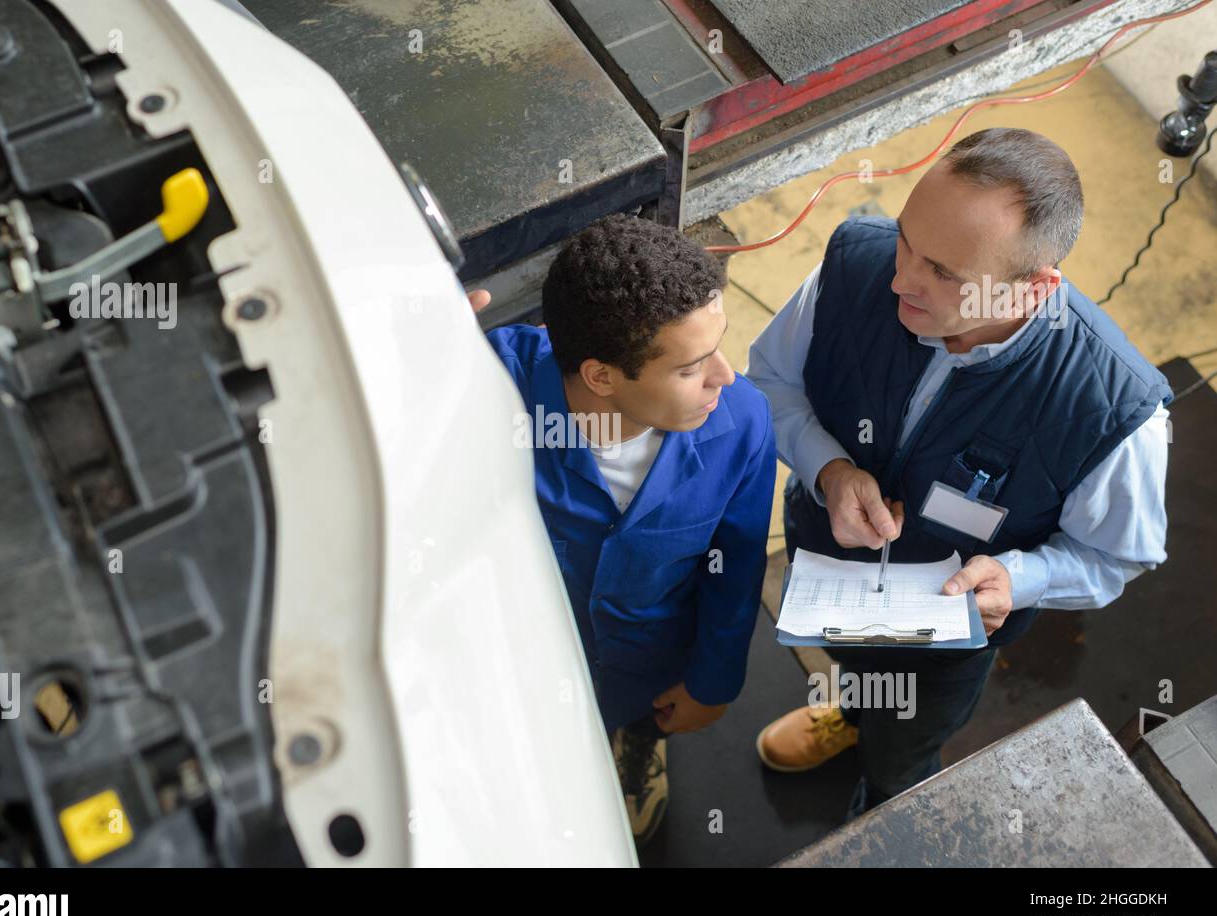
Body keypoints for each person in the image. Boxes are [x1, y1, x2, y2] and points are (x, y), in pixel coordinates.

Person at [746, 127, 1172, 820]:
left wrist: (1022, 578)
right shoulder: (856, 263)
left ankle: (884, 806)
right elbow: (767, 383)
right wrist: (828, 469)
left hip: (943, 643)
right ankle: (852, 711)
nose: (900, 279)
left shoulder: (1112, 409)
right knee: (853, 665)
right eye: (907, 239)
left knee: (903, 753)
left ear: (1035, 290)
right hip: (831, 578)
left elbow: (1116, 556)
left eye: (945, 273)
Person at [484, 215, 776, 844]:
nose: (725, 377)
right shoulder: (489, 383)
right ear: (601, 377)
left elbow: (739, 567)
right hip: (520, 656)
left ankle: (635, 749)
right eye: (691, 367)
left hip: (649, 666)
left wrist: (713, 681)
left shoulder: (743, 424)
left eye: (718, 347)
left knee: (640, 720)